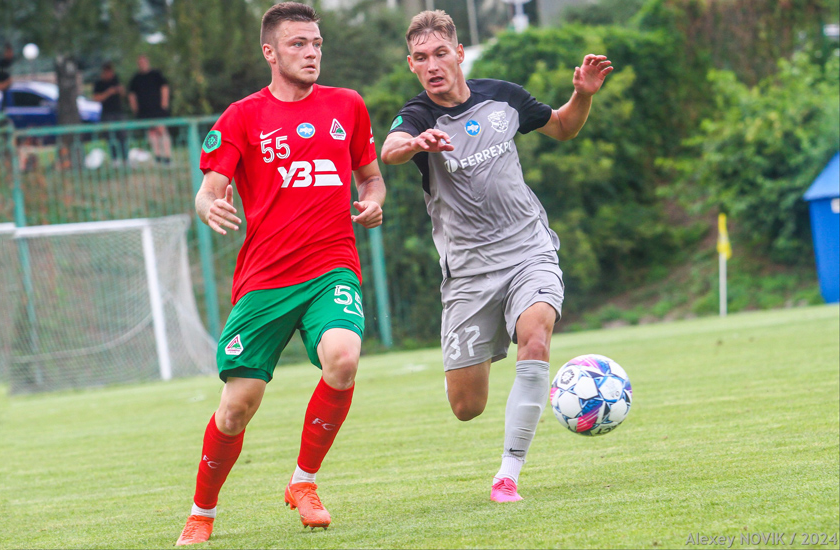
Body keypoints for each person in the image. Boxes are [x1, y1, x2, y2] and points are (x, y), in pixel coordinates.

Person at [380, 10, 612, 503]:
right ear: (411, 65)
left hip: (529, 249)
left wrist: (583, 96)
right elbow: (391, 148)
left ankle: (508, 474)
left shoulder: (503, 97)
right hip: (468, 273)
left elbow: (563, 128)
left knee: (536, 338)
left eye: (440, 53)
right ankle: (470, 365)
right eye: (421, 58)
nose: (432, 65)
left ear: (459, 53)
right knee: (467, 406)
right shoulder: (418, 116)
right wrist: (415, 143)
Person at [175, 2, 386, 545]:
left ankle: (303, 482)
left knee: (343, 357)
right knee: (235, 409)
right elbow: (209, 190)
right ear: (270, 52)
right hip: (265, 280)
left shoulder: (347, 105)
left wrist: (373, 201)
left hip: (331, 268)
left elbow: (371, 178)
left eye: (316, 44)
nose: (311, 53)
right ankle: (202, 513)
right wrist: (209, 205)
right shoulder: (243, 116)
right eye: (298, 44)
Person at [128, 55, 171, 164]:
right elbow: (131, 95)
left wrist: (164, 104)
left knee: (161, 130)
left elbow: (164, 88)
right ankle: (158, 156)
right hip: (145, 111)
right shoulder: (136, 78)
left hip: (158, 109)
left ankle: (167, 157)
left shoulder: (156, 74)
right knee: (151, 133)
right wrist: (135, 109)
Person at [93, 62, 127, 162]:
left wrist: (120, 90)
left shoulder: (116, 80)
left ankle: (125, 158)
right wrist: (108, 92)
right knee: (110, 136)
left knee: (122, 136)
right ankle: (114, 159)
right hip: (107, 114)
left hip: (119, 112)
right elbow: (96, 98)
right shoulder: (99, 84)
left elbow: (124, 94)